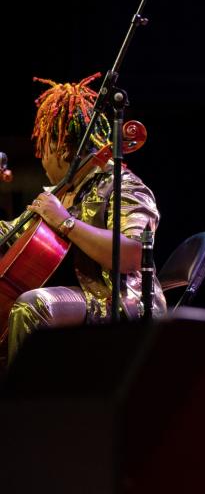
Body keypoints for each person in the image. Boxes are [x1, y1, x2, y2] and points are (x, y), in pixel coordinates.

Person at [4, 74, 163, 361]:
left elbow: (132, 253)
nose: (42, 160)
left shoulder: (123, 185)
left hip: (120, 301)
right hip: (78, 297)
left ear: (64, 148)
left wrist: (66, 222)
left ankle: (26, 405)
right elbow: (10, 235)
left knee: (33, 306)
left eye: (44, 150)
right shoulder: (61, 193)